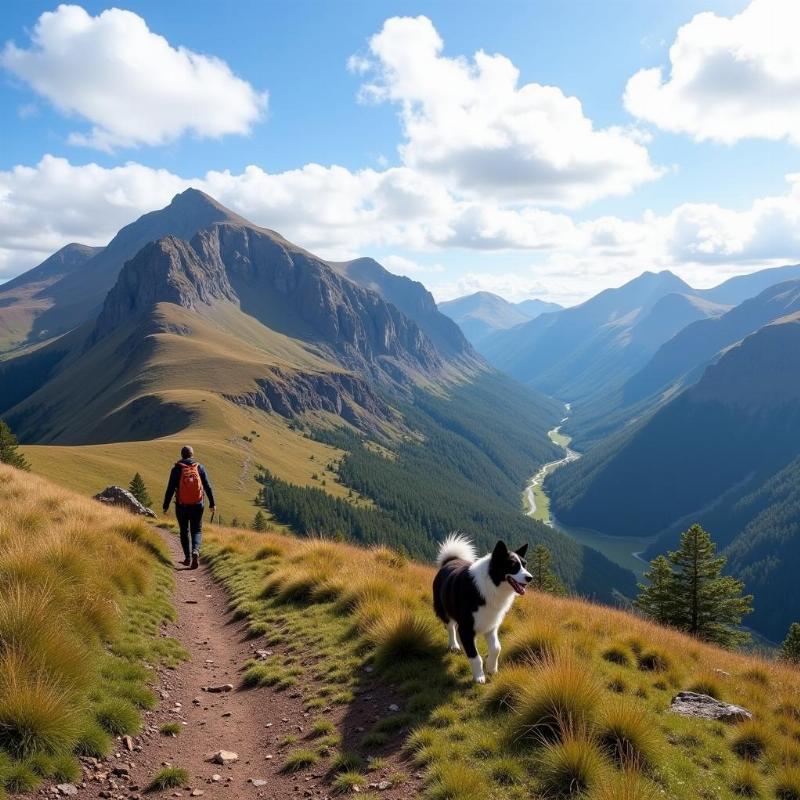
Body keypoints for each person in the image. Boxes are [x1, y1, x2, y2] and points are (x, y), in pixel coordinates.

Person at [162, 446, 216, 569]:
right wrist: (212, 503)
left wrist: (165, 506)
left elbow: (170, 488)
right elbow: (208, 486)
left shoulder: (176, 469)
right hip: (198, 504)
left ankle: (187, 558)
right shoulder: (199, 467)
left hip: (182, 505)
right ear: (192, 455)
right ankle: (195, 551)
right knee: (196, 530)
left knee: (184, 530)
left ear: (182, 455)